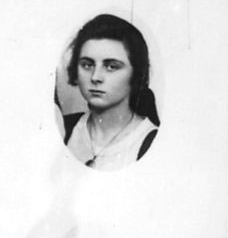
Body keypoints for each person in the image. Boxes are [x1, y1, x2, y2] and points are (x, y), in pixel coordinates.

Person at [62, 14, 160, 171]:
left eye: (111, 67)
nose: (95, 77)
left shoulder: (152, 142)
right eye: (87, 65)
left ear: (137, 73)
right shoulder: (65, 128)